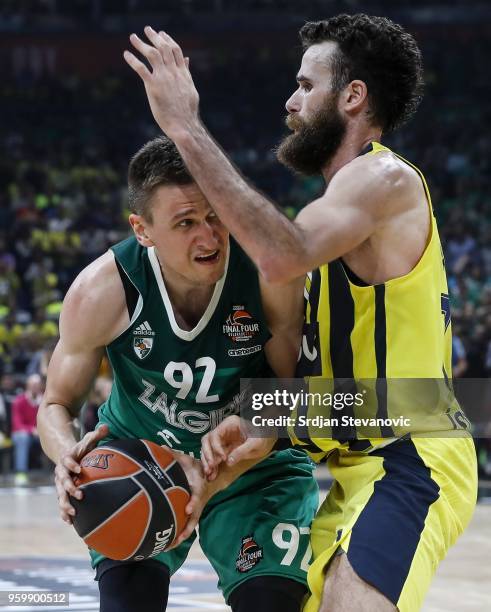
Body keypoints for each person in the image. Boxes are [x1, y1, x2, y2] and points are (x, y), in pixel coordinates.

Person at [123, 13, 478, 612]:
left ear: (353, 96)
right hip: (356, 467)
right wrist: (262, 417)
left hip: (413, 455)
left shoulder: (383, 180)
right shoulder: (341, 209)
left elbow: (282, 257)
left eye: (306, 86)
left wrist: (185, 128)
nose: (290, 101)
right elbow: (350, 388)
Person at [37, 136, 318, 612]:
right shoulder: (100, 291)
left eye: (214, 216)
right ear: (142, 230)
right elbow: (56, 404)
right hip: (140, 464)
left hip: (252, 465)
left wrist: (245, 446)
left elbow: (294, 390)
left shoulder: (269, 272)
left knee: (271, 603)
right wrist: (66, 456)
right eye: (185, 223)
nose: (208, 237)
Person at [11, 373, 43, 485]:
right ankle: (21, 474)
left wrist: (40, 431)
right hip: (22, 434)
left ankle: (61, 471)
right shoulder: (19, 401)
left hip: (40, 435)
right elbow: (17, 424)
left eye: (37, 384)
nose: (35, 387)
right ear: (27, 386)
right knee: (23, 437)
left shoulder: (44, 402)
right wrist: (32, 430)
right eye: (32, 384)